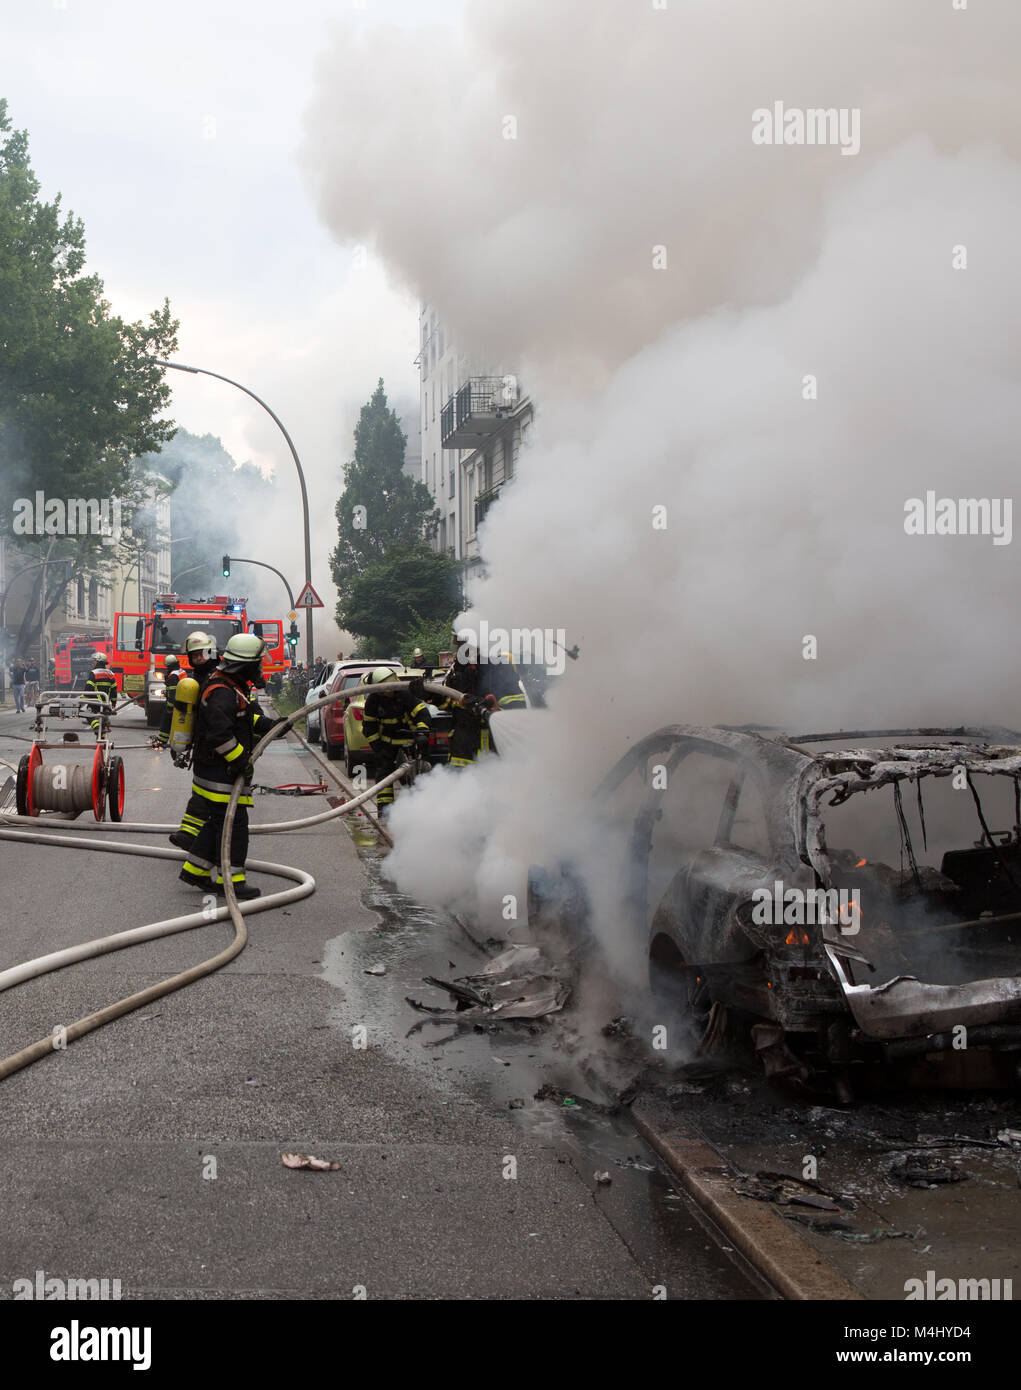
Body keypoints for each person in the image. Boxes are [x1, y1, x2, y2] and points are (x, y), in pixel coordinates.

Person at [178, 633, 281, 900]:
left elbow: (246, 718)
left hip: (213, 770)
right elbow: (220, 735)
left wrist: (275, 727)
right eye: (256, 663)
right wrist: (240, 761)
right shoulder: (222, 692)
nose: (259, 669)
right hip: (219, 774)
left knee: (218, 822)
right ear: (244, 664)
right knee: (234, 827)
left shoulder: (231, 686)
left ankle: (196, 870)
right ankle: (232, 881)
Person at [167, 632, 219, 851]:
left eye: (201, 655)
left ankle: (198, 837)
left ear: (211, 653)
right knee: (202, 790)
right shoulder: (193, 680)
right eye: (193, 656)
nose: (198, 659)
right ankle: (190, 834)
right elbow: (180, 712)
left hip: (217, 743)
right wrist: (176, 742)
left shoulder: (217, 677)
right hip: (203, 743)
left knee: (208, 793)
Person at [443, 630, 525, 767]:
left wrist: (496, 708)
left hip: (493, 751)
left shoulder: (500, 667)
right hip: (463, 751)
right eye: (460, 645)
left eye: (464, 644)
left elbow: (518, 704)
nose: (461, 649)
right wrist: (426, 694)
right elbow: (446, 702)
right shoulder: (458, 670)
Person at [362, 667, 431, 815]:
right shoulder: (373, 701)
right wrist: (377, 748)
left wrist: (422, 733)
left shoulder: (406, 695)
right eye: (386, 689)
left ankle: (421, 808)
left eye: (391, 688)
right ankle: (385, 810)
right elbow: (369, 727)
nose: (390, 692)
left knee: (418, 774)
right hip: (387, 743)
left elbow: (423, 714)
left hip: (411, 739)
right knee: (383, 773)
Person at [83, 652, 118, 734]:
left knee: (88, 715)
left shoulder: (94, 673)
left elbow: (89, 688)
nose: (93, 662)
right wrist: (113, 703)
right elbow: (114, 690)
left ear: (98, 661)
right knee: (103, 721)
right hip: (105, 704)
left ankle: (96, 727)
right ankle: (102, 740)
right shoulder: (110, 674)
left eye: (94, 661)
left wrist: (85, 699)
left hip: (95, 703)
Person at [155, 654, 182, 747]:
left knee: (166, 720)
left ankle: (162, 740)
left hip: (175, 703)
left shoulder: (173, 676)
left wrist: (170, 707)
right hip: (182, 701)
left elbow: (173, 694)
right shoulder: (180, 672)